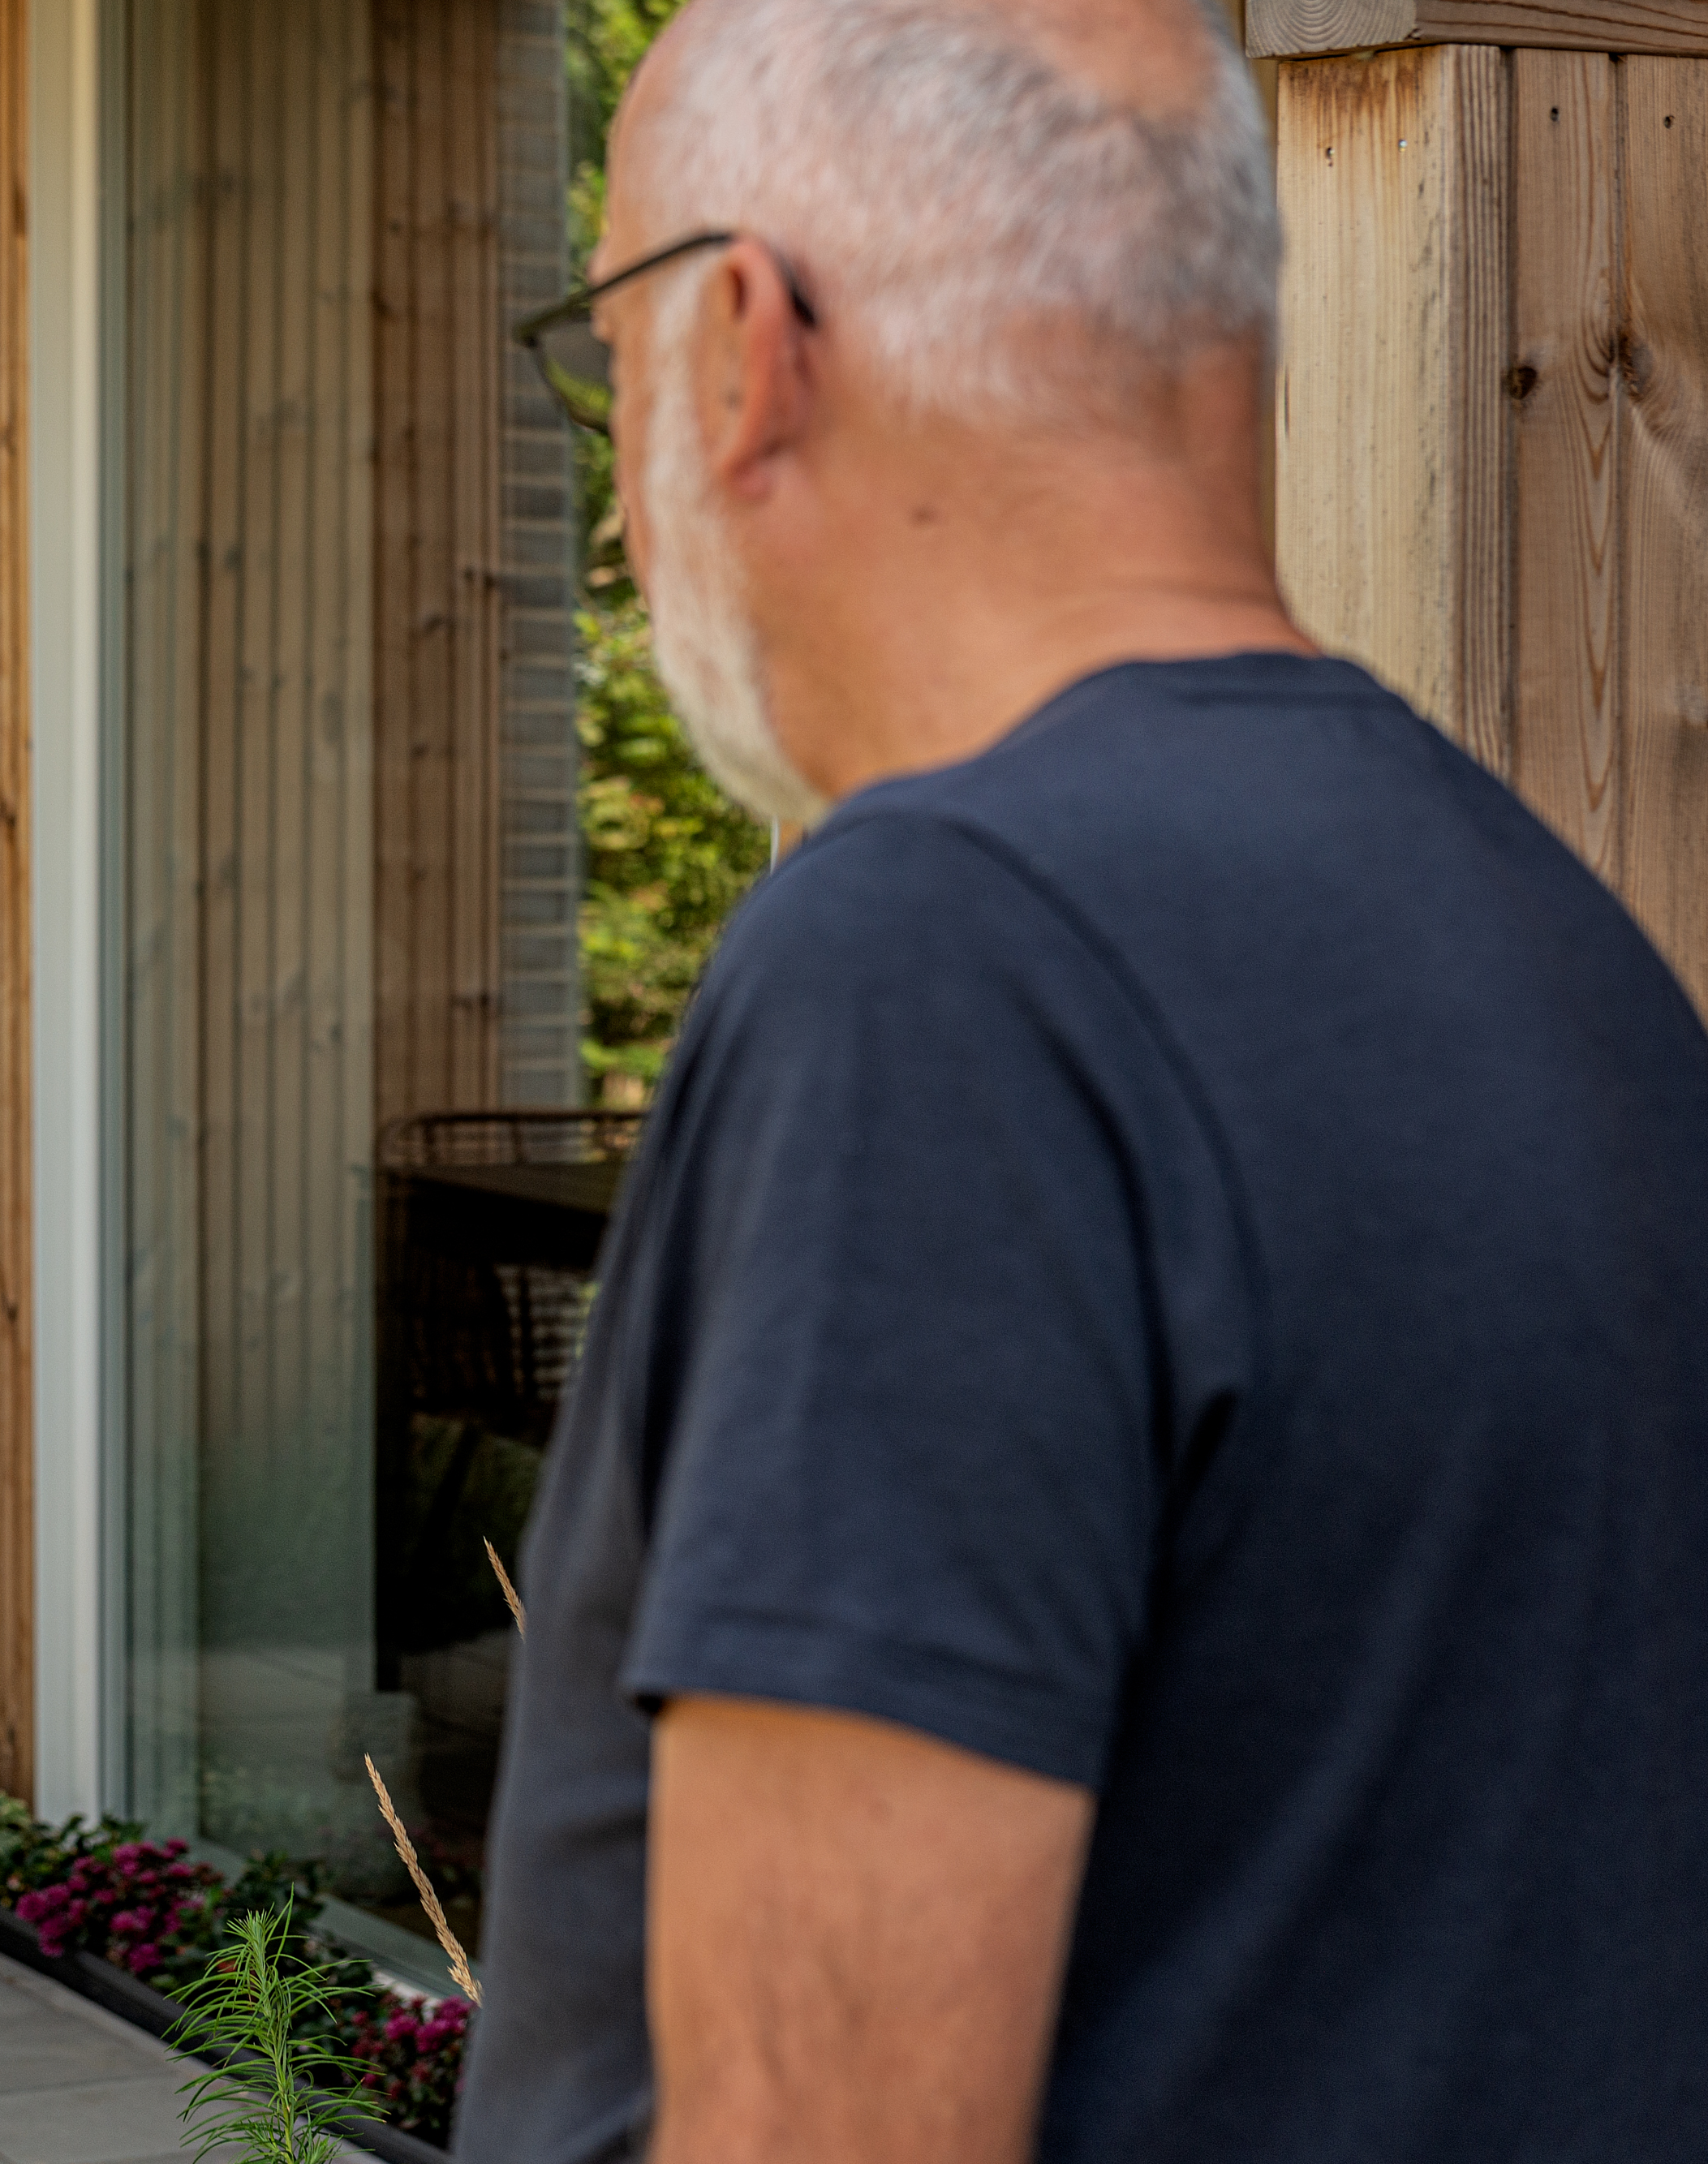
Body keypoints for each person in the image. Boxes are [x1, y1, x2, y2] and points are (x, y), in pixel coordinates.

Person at [465, 2, 1708, 2161]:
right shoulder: (1569, 954)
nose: (616, 519)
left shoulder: (936, 964)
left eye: (608, 362)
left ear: (749, 348)